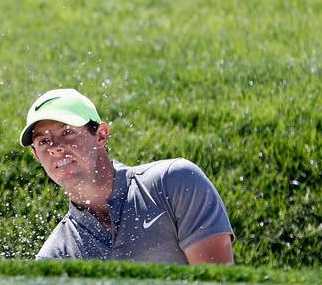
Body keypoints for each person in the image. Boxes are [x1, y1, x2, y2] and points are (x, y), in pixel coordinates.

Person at [19, 89, 234, 264]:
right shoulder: (56, 257)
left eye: (67, 132)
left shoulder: (174, 182)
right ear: (37, 157)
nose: (55, 148)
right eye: (43, 142)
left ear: (101, 135)